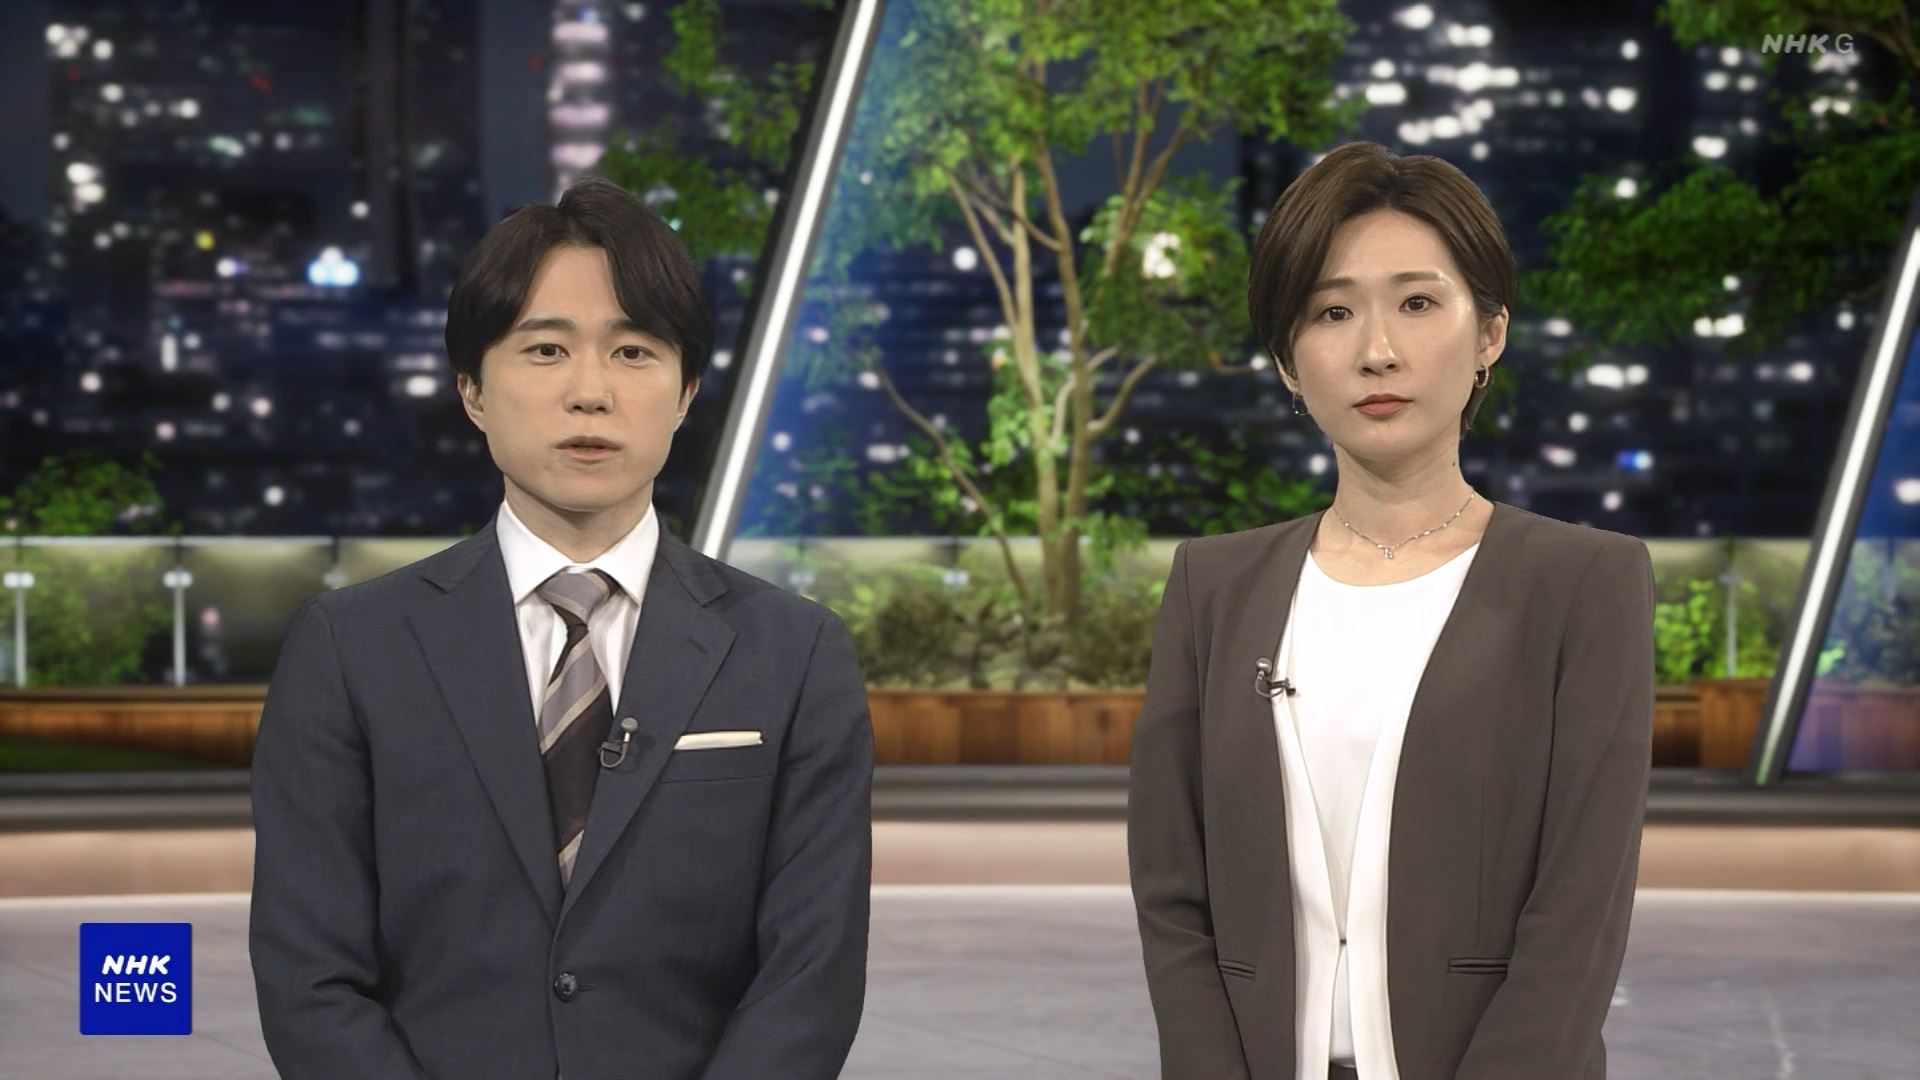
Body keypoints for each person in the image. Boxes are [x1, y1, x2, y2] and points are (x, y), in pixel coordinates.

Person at [249, 178, 873, 1080]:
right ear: (472, 389)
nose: (591, 392)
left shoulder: (795, 652)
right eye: (545, 350)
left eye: (634, 351)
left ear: (687, 391)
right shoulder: (350, 649)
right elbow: (310, 978)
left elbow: (811, 978)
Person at [1127, 141, 1654, 1080]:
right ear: (1289, 362)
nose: (1377, 351)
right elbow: (1172, 895)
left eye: (1417, 303)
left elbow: (1581, 911)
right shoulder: (1213, 585)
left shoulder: (1585, 583)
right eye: (1332, 312)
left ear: (1489, 333)